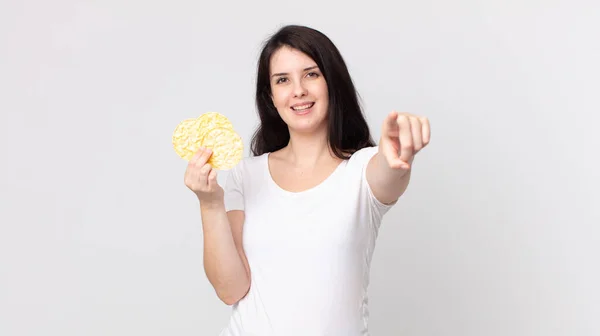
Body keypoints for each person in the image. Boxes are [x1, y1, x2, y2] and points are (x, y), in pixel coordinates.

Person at [184, 25, 431, 336]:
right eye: (283, 80)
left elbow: (389, 171)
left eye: (311, 74)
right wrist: (209, 204)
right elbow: (230, 290)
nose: (298, 90)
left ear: (332, 83)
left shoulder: (361, 169)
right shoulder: (245, 175)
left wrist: (399, 153)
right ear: (271, 96)